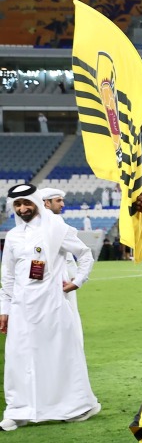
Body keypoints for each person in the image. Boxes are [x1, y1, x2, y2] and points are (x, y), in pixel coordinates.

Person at [1, 183, 99, 430]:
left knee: (60, 356)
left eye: (27, 203)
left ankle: (75, 407)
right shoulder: (12, 236)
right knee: (18, 360)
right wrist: (4, 310)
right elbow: (8, 278)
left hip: (52, 306)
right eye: (18, 205)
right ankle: (18, 411)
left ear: (36, 203)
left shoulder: (57, 228)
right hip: (21, 309)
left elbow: (85, 254)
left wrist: (77, 282)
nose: (23, 208)